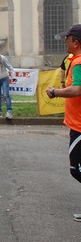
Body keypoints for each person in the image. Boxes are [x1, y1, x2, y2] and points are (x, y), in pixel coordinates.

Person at [45, 24, 81, 221]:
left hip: (79, 126)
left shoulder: (78, 63)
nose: (65, 41)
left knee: (76, 169)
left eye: (67, 39)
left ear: (75, 42)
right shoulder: (75, 61)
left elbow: (77, 89)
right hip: (76, 124)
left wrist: (55, 92)